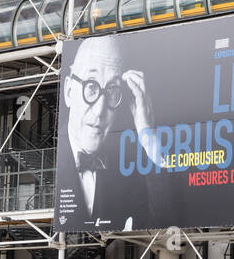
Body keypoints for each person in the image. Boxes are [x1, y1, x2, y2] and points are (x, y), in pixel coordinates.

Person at [56, 35, 159, 231]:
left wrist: (148, 135)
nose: (99, 109)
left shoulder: (128, 169)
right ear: (69, 91)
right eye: (91, 86)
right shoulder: (48, 160)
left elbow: (165, 222)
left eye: (113, 90)